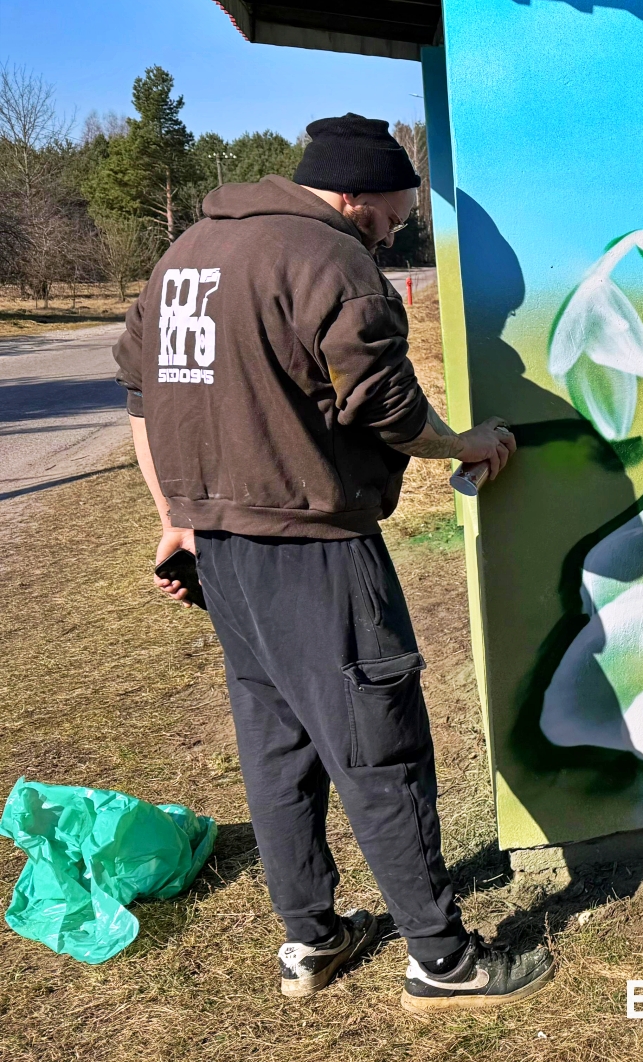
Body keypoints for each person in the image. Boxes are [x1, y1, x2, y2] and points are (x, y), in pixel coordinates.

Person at [115, 114, 555, 1010]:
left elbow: (141, 394)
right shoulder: (327, 257)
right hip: (316, 554)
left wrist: (176, 519)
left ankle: (310, 941)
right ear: (352, 194)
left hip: (225, 555)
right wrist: (465, 443)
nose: (391, 235)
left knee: (278, 751)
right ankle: (443, 960)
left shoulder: (187, 255)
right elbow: (385, 403)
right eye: (389, 217)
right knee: (381, 752)